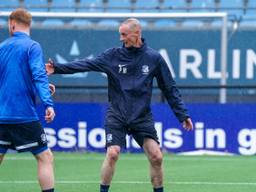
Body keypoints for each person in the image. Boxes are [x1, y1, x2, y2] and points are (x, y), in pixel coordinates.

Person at [46, 18, 193, 192]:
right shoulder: (112, 55)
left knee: (156, 157)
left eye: (124, 34)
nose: (121, 38)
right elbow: (86, 64)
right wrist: (57, 68)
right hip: (117, 114)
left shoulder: (154, 58)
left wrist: (182, 114)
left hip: (142, 116)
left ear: (137, 33)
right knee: (113, 153)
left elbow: (169, 88)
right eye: (120, 34)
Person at [0, 9, 56, 192]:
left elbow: (9, 79)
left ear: (12, 24)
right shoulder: (32, 47)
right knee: (45, 157)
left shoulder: (2, 47)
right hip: (23, 115)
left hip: (1, 114)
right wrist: (48, 103)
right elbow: (39, 75)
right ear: (29, 24)